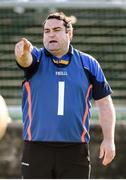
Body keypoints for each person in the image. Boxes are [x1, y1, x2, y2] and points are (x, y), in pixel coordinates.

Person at [15, 12, 116, 179]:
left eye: (56, 30)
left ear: (69, 33)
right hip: (37, 149)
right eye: (46, 31)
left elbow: (105, 103)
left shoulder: (88, 64)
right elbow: (25, 59)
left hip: (75, 150)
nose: (50, 34)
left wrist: (109, 140)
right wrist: (22, 52)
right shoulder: (37, 58)